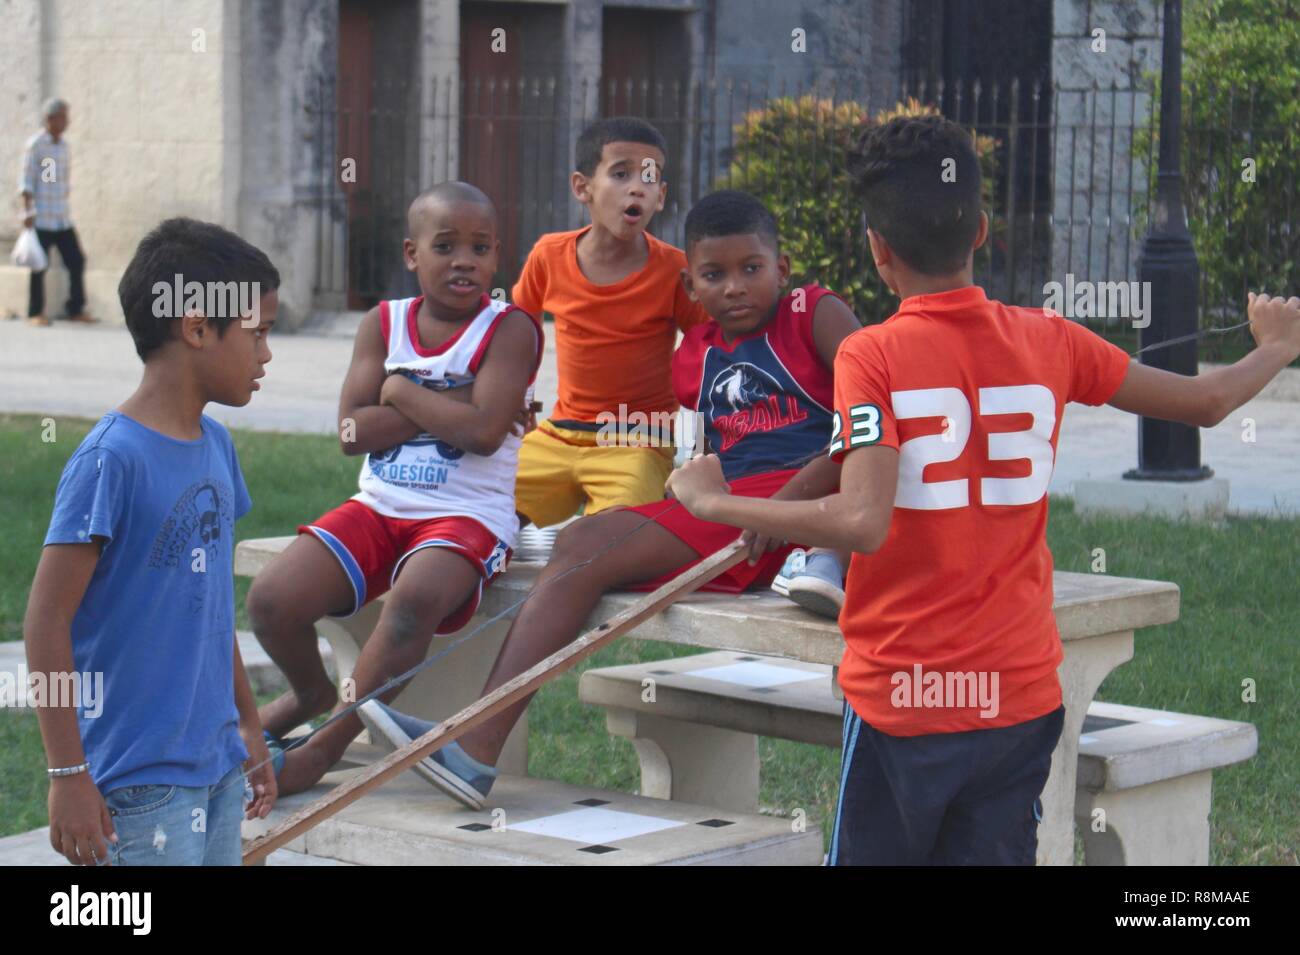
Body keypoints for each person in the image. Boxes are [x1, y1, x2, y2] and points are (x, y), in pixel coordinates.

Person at [664, 114, 1300, 865]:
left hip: (905, 697)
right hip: (1018, 694)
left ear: (878, 249)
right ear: (983, 232)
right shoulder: (1053, 339)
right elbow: (1207, 401)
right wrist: (1278, 347)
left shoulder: (871, 355)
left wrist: (711, 500)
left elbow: (863, 519)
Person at [358, 190, 862, 809]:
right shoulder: (695, 357)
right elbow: (722, 450)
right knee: (577, 540)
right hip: (736, 509)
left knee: (589, 544)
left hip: (796, 505)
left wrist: (782, 506)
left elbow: (871, 419)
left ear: (782, 271)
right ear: (691, 285)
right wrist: (696, 482)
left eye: (751, 269)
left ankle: (475, 744)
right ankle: (473, 742)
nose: (735, 287)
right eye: (714, 274)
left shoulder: (815, 313)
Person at [245, 182, 543, 796]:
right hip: (380, 505)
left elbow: (486, 434)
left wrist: (402, 391)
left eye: (481, 248)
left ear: (496, 257)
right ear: (412, 254)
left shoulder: (510, 329)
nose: (465, 260)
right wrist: (457, 400)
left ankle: (325, 748)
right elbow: (353, 431)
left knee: (412, 605)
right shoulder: (383, 323)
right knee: (271, 600)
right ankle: (311, 693)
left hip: (467, 516)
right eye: (446, 246)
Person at [23, 217, 280, 865]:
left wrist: (247, 727)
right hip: (139, 785)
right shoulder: (111, 460)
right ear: (197, 327)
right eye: (259, 333)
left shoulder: (218, 446)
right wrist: (66, 774)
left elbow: (212, 602)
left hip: (216, 766)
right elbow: (45, 619)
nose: (266, 354)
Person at [510, 117, 711, 531]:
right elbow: (519, 328)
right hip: (558, 436)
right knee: (482, 507)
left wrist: (703, 444)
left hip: (638, 441)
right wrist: (519, 395)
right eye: (621, 174)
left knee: (611, 537)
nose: (637, 187)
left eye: (650, 177)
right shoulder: (548, 256)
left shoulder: (676, 270)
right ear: (582, 187)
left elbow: (710, 349)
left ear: (661, 197)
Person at [19, 98, 96, 327]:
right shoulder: (36, 145)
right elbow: (27, 181)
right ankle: (35, 311)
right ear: (51, 119)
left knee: (76, 261)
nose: (66, 121)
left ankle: (75, 308)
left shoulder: (61, 146)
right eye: (62, 116)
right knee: (39, 265)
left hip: (61, 217)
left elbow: (51, 178)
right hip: (42, 217)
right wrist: (28, 212)